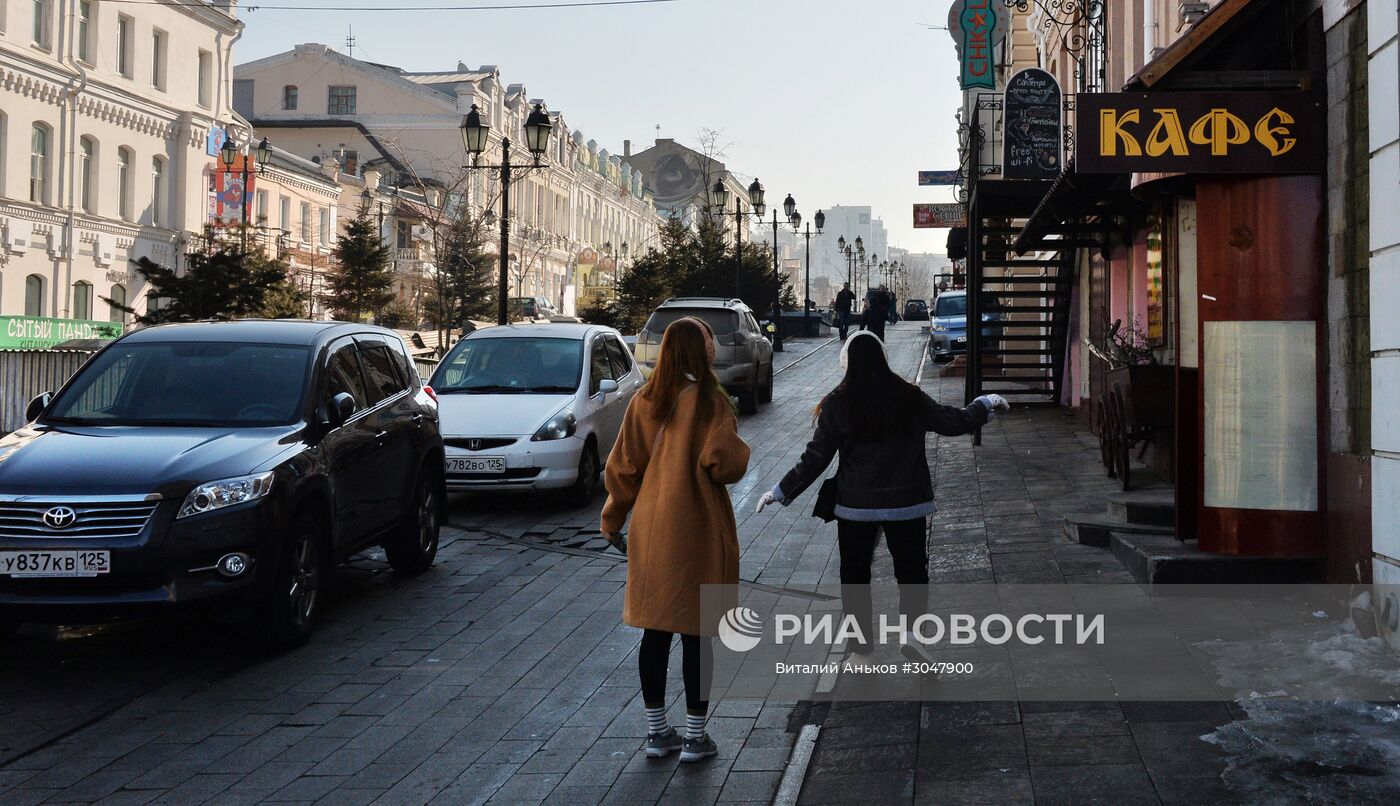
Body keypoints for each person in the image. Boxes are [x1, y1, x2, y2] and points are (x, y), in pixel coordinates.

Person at [756, 332, 1009, 660]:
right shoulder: (909, 396)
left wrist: (779, 491)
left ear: (846, 362)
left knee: (855, 572)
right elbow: (951, 422)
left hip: (856, 506)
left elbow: (815, 458)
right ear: (883, 358)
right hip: (908, 503)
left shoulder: (838, 402)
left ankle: (860, 642)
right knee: (912, 571)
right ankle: (912, 635)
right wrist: (984, 404)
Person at [601, 317, 751, 763]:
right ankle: (694, 736)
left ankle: (655, 732)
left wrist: (612, 520)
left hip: (653, 530)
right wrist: (739, 448)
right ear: (699, 353)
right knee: (697, 633)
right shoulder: (710, 403)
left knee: (656, 630)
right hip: (699, 529)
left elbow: (623, 468)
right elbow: (724, 464)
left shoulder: (645, 400)